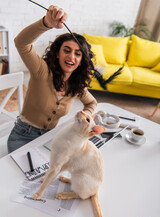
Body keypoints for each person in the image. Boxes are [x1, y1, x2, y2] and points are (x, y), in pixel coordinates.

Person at [7, 5, 97, 153]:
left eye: (78, 54)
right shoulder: (41, 71)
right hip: (23, 136)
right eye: (66, 51)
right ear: (57, 53)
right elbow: (21, 43)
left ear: (81, 61)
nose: (71, 57)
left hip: (51, 138)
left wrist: (85, 117)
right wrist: (46, 23)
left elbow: (91, 102)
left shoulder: (77, 85)